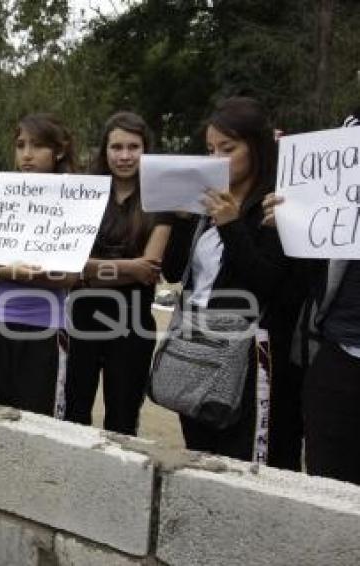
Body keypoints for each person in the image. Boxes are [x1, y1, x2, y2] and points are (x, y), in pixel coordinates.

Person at [161, 96, 289, 461]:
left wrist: (232, 225)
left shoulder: (273, 206)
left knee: (240, 458)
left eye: (227, 149)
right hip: (196, 344)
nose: (217, 159)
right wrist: (182, 222)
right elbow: (174, 274)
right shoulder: (209, 203)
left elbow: (268, 283)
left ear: (257, 147)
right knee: (198, 452)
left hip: (245, 354)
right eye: (210, 150)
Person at [261, 105, 360, 482]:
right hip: (339, 352)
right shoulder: (343, 148)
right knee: (328, 486)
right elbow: (310, 276)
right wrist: (294, 220)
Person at [65, 111, 170, 435]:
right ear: (104, 150)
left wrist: (90, 269)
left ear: (146, 150)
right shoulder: (84, 194)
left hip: (132, 323)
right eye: (116, 147)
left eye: (133, 147)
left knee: (122, 420)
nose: (124, 156)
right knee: (73, 412)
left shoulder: (159, 200)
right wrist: (128, 267)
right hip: (82, 317)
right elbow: (70, 262)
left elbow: (149, 268)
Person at [0, 113, 80, 416]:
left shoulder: (76, 201)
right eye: (20, 145)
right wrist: (12, 271)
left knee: (37, 421)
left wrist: (17, 272)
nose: (27, 155)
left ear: (58, 151)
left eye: (37, 146)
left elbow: (69, 276)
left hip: (44, 327)